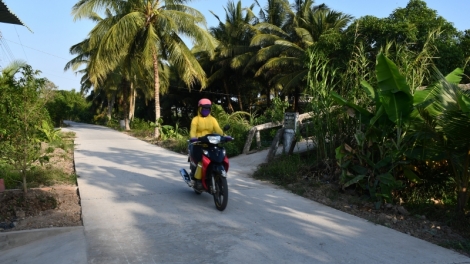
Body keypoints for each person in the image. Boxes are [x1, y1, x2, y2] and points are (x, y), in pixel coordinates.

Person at [188, 98, 224, 189]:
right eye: (204, 108)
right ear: (199, 108)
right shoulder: (195, 119)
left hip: (211, 144)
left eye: (208, 108)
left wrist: (225, 136)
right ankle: (196, 179)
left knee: (217, 157)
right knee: (200, 160)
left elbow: (218, 130)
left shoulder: (213, 119)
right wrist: (193, 138)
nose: (206, 110)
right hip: (198, 144)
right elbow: (192, 131)